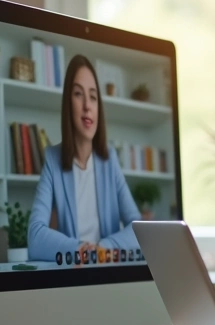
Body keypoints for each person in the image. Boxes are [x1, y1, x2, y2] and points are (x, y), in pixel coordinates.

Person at [28, 54, 141, 262]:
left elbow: (140, 230)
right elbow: (35, 237)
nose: (87, 105)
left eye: (94, 96)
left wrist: (102, 248)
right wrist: (81, 250)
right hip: (74, 276)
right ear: (68, 104)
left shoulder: (110, 161)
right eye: (79, 94)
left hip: (107, 271)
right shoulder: (53, 160)